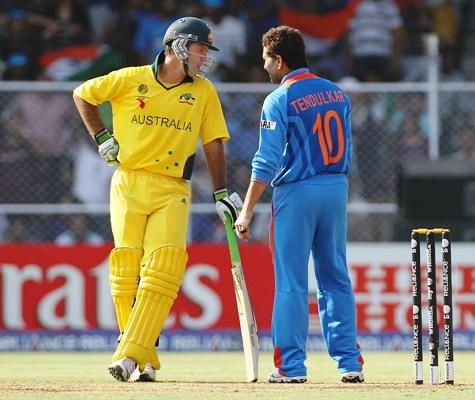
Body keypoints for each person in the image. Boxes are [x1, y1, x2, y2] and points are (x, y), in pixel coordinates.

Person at [72, 16, 241, 382]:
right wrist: (101, 136)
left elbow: (213, 142)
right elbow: (83, 94)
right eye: (199, 49)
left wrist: (221, 192)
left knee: (163, 268)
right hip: (128, 182)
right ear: (177, 46)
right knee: (126, 268)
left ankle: (129, 355)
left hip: (173, 188)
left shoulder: (203, 91)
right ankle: (144, 359)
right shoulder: (130, 78)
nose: (203, 57)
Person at [234, 26, 364, 383]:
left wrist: (246, 211)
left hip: (298, 192)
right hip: (336, 188)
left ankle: (291, 367)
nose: (264, 68)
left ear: (279, 59)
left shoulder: (280, 98)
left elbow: (266, 161)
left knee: (291, 281)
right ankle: (350, 363)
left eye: (265, 61)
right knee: (335, 277)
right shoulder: (337, 94)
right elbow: (348, 148)